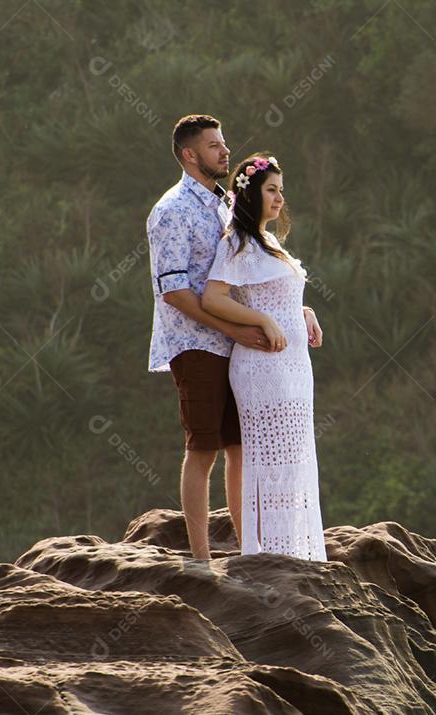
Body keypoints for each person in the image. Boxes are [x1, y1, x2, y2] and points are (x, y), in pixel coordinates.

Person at [146, 114, 322, 560]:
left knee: (239, 447)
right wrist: (236, 329)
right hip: (195, 342)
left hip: (239, 347)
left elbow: (251, 279)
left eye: (223, 144)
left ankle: (250, 552)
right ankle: (202, 560)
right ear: (189, 154)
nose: (225, 151)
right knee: (202, 448)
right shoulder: (171, 210)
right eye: (213, 146)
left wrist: (293, 311)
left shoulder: (225, 204)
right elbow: (174, 292)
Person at [201, 153, 327, 560]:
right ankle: (265, 554)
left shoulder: (268, 241)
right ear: (252, 194)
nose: (279, 199)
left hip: (294, 367)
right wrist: (261, 320)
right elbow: (214, 298)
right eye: (272, 190)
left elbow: (277, 293)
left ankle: (293, 549)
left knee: (294, 455)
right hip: (262, 367)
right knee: (268, 456)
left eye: (281, 191)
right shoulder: (235, 242)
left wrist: (303, 313)